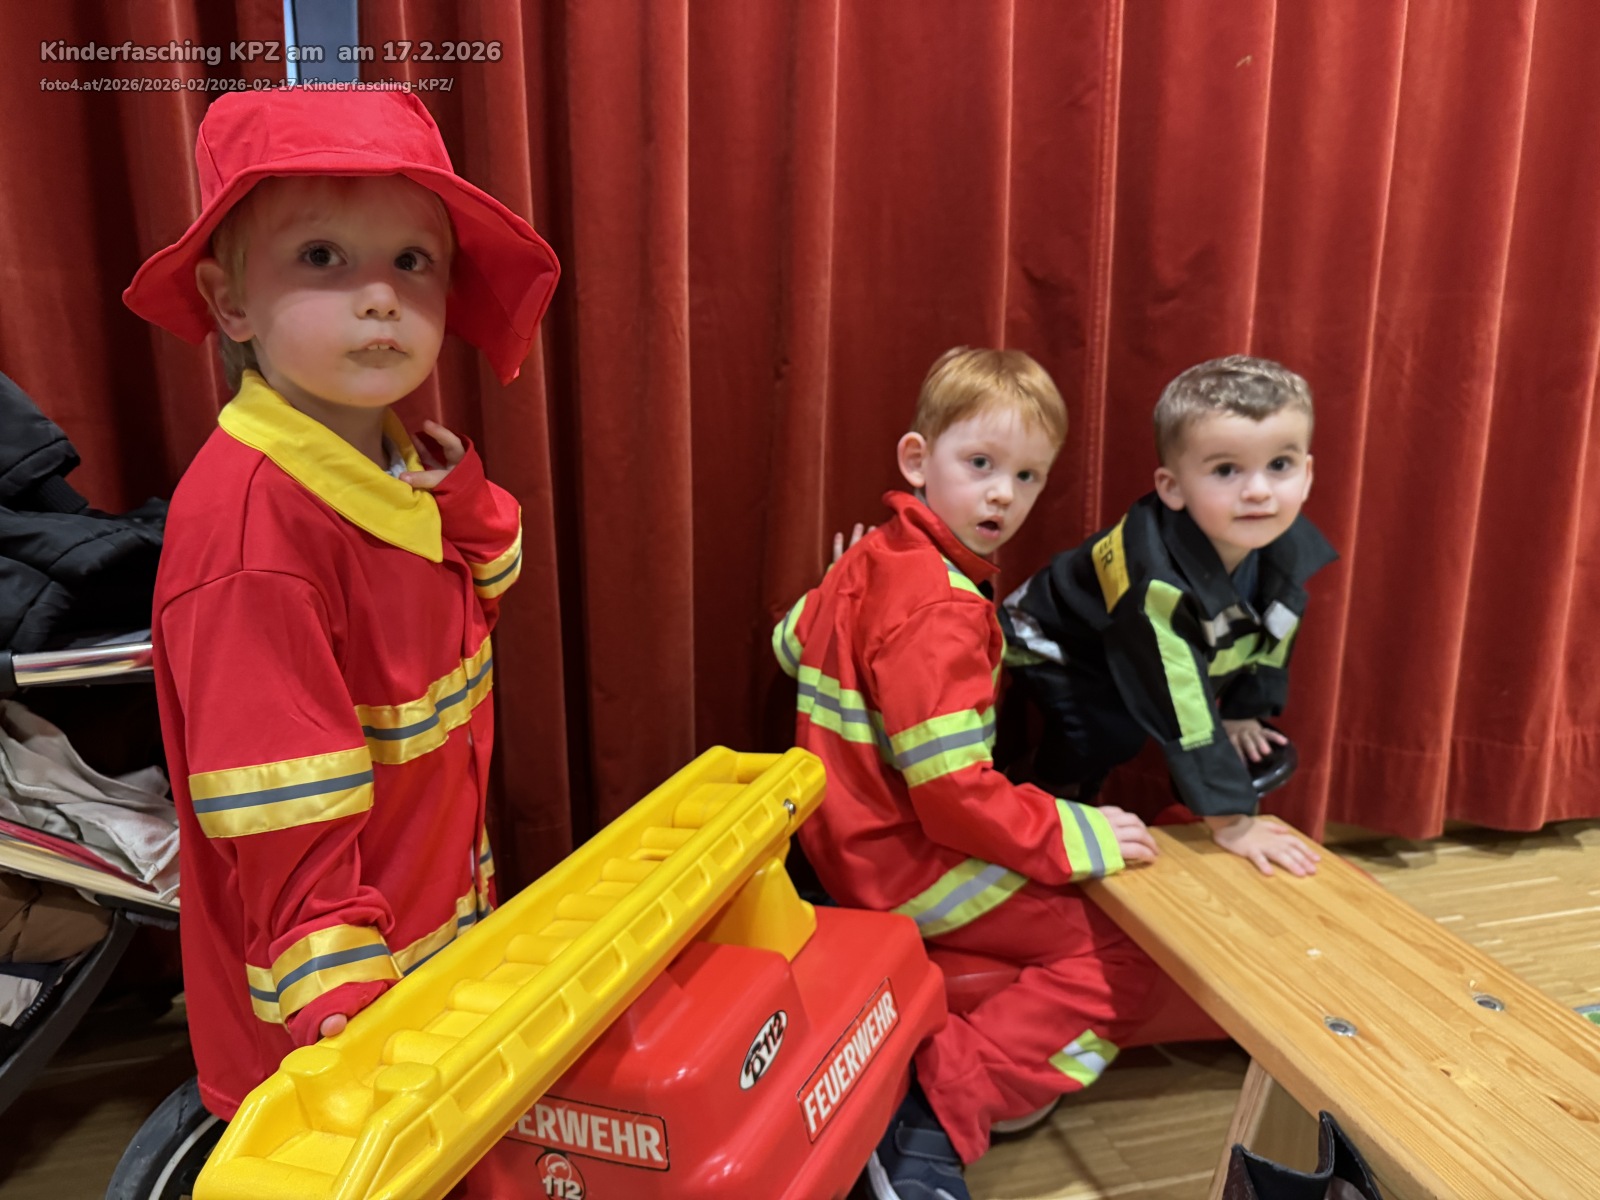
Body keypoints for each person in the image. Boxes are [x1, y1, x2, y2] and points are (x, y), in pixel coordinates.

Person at [122, 88, 559, 1123]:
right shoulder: (253, 539)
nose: (380, 297)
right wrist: (351, 1021)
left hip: (435, 921)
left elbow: (485, 588)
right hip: (335, 1007)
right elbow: (282, 813)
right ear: (230, 304)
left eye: (412, 261)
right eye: (322, 257)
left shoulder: (398, 454)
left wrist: (460, 497)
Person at [773, 347, 1184, 1200]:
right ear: (917, 460)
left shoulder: (871, 557)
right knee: (1126, 954)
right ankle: (938, 1108)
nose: (1003, 495)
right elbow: (955, 795)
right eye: (981, 465)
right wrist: (1076, 832)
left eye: (1027, 476)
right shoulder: (941, 607)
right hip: (900, 862)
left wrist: (833, 585)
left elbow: (788, 644)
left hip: (837, 842)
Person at [1001, 355, 1336, 877]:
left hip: (1131, 642)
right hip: (1051, 637)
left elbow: (1271, 634)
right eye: (1226, 470)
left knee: (1153, 707)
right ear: (1172, 487)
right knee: (1105, 733)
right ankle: (1042, 809)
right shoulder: (1155, 585)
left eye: (1280, 465)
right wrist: (1232, 821)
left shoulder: (1285, 545)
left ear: (1307, 474)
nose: (1259, 491)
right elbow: (1179, 703)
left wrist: (1243, 711)